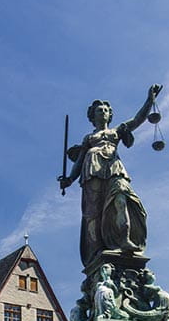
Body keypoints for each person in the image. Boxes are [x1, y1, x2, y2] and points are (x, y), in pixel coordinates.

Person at [60, 84, 162, 267]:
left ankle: (125, 240)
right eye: (99, 110)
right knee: (94, 213)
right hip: (92, 171)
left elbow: (138, 119)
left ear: (110, 114)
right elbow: (79, 162)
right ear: (93, 116)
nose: (103, 112)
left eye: (106, 110)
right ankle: (96, 250)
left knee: (122, 198)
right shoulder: (89, 139)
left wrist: (149, 100)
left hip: (114, 167)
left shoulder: (116, 132)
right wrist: (69, 179)